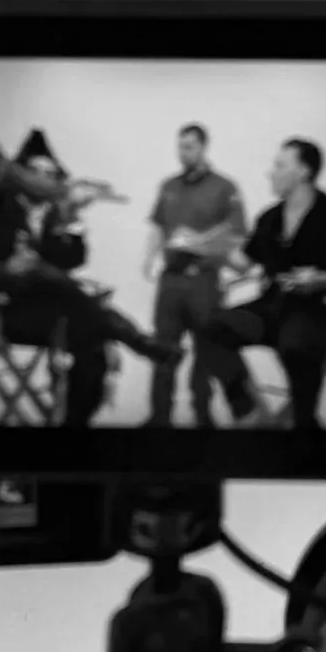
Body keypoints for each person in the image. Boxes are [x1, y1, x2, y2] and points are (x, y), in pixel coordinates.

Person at [0, 128, 175, 414]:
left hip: (45, 309)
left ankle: (73, 425)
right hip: (1, 311)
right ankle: (139, 341)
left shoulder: (52, 212)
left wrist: (72, 215)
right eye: (35, 171)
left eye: (49, 174)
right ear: (20, 173)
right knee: (49, 279)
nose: (42, 178)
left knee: (93, 340)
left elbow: (72, 260)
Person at [194, 140, 326, 432]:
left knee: (297, 347)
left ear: (303, 172)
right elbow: (242, 262)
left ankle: (303, 426)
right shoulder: (270, 218)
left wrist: (320, 279)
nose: (271, 173)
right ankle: (248, 411)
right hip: (269, 311)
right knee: (212, 331)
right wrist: (205, 248)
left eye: (279, 166)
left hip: (313, 311)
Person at [142, 123, 249, 426]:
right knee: (163, 349)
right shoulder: (169, 186)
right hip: (171, 280)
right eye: (180, 146)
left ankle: (202, 416)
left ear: (203, 147)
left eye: (189, 146)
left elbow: (236, 234)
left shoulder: (224, 188)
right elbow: (157, 226)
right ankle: (159, 417)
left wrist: (199, 242)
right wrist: (148, 259)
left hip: (203, 280)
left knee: (205, 351)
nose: (183, 152)